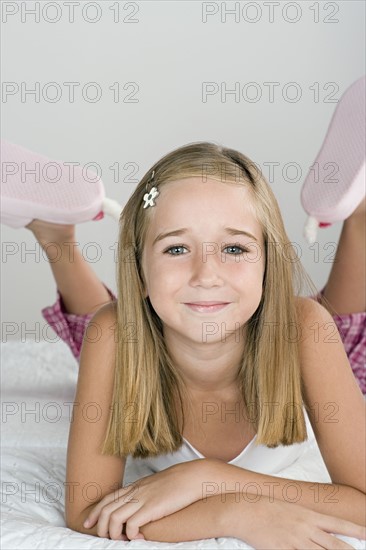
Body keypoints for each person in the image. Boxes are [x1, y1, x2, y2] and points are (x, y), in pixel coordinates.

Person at [20, 142, 365, 547]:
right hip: (143, 331)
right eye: (176, 248)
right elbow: (88, 513)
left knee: (347, 335)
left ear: (269, 263)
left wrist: (207, 478)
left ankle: (357, 213)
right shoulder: (113, 336)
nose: (206, 274)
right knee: (102, 327)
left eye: (234, 248)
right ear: (140, 269)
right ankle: (56, 235)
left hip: (281, 332)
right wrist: (235, 510)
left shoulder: (305, 330)